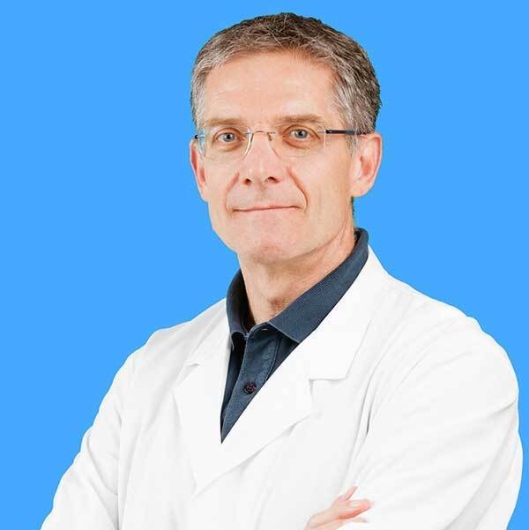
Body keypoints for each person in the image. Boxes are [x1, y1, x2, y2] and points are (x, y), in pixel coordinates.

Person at [41, 12, 522, 530]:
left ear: (363, 162)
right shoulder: (150, 373)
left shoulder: (449, 366)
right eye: (229, 136)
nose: (258, 168)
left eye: (298, 134)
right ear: (200, 170)